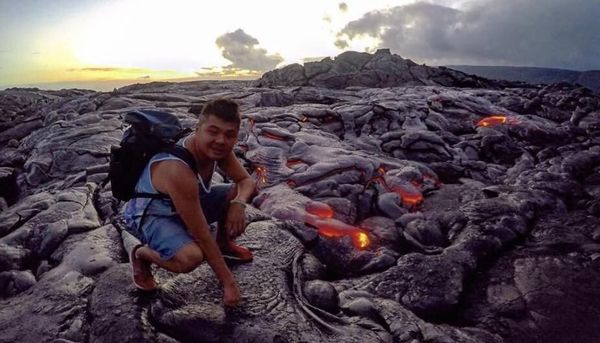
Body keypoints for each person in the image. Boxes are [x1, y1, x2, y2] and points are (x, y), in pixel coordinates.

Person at [123, 98, 256, 307]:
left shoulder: (218, 149)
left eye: (230, 134)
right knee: (191, 257)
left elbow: (246, 181)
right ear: (198, 129)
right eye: (213, 131)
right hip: (152, 213)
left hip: (182, 204)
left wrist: (239, 203)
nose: (221, 140)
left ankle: (223, 243)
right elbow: (202, 233)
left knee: (232, 192)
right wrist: (229, 283)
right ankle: (141, 254)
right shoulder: (177, 170)